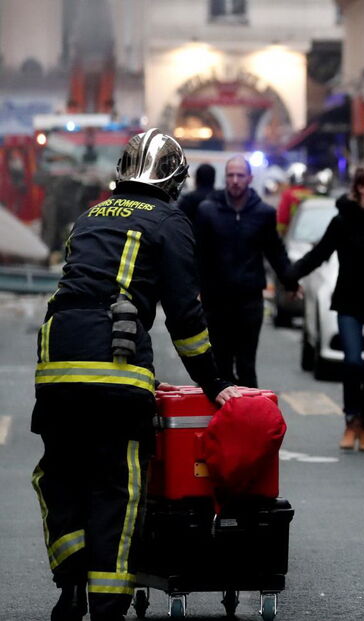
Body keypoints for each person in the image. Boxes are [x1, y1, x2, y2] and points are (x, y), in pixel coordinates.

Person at [31, 129, 240, 621]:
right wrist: (215, 383)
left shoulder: (88, 217)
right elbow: (186, 320)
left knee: (59, 475)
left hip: (56, 361)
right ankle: (107, 604)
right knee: (115, 485)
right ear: (174, 180)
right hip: (115, 369)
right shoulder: (169, 221)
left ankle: (70, 586)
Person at [286, 167, 364, 452]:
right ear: (361, 188)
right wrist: (290, 275)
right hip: (349, 301)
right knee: (352, 362)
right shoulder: (342, 221)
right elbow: (319, 253)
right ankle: (351, 422)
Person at [193, 155, 296, 388]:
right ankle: (224, 419)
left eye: (240, 175)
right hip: (216, 299)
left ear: (249, 178)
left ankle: (250, 420)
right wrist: (193, 288)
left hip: (249, 299)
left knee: (247, 364)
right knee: (221, 362)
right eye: (231, 175)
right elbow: (198, 253)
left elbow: (275, 251)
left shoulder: (263, 213)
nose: (235, 180)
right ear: (225, 179)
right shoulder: (208, 210)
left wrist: (290, 282)